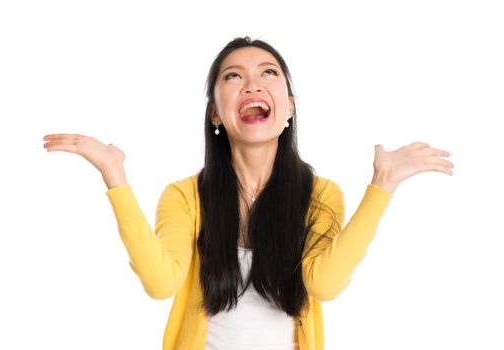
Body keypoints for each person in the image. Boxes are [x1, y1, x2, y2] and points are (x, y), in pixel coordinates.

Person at [43, 36, 454, 350]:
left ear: (289, 107)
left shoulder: (320, 194)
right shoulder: (185, 196)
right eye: (233, 76)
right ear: (216, 113)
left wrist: (381, 185)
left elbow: (325, 284)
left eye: (268, 73)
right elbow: (160, 282)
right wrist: (115, 175)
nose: (252, 83)